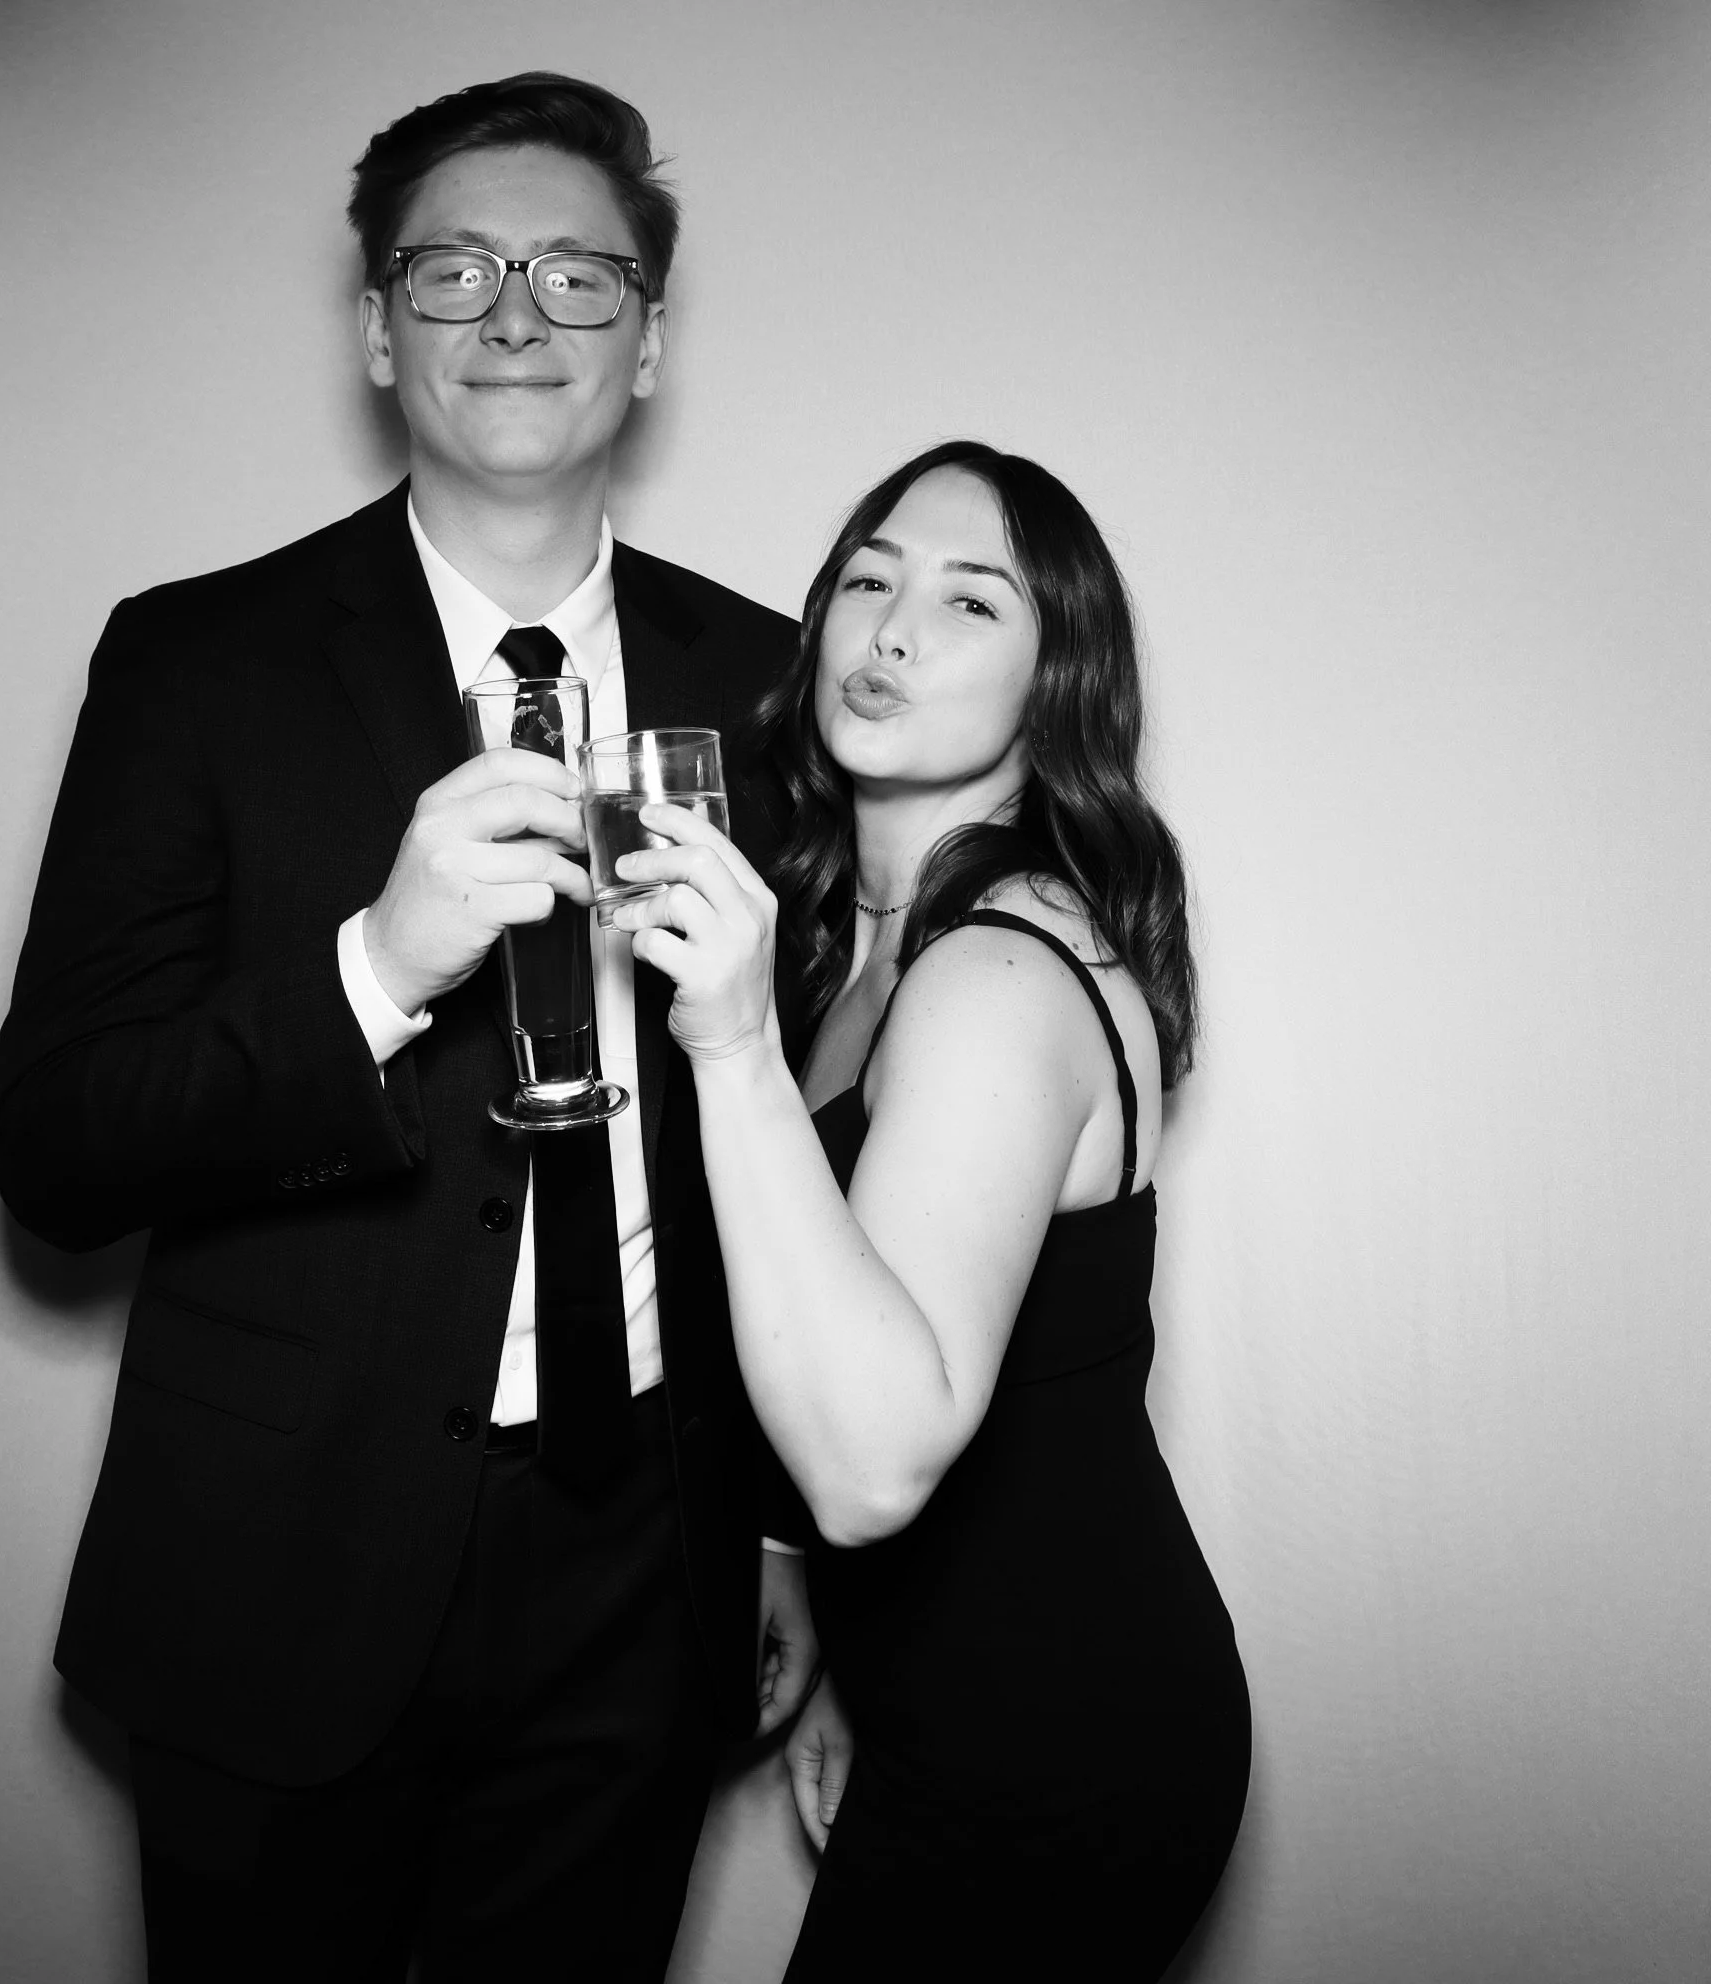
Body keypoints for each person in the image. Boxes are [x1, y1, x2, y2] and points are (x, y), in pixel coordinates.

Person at [0, 73, 816, 1983]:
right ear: (377, 329)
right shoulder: (194, 662)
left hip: (646, 1560)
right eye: (453, 268)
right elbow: (59, 1154)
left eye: (576, 274)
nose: (515, 314)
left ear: (651, 338)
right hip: (285, 1560)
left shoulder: (762, 681)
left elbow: (809, 1136)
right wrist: (376, 965)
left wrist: (776, 1536)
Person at [608, 440, 1252, 1979]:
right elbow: (883, 1319)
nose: (891, 629)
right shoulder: (868, 942)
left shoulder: (993, 975)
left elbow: (878, 1465)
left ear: (1057, 687)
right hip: (953, 1706)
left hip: (1065, 1734)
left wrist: (732, 1044)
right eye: (870, 581)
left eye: (970, 602)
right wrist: (817, 1605)